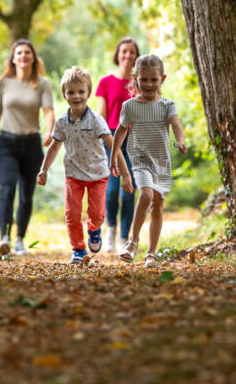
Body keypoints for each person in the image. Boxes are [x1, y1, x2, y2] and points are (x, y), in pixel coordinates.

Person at [109, 53, 186, 267]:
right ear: (135, 79)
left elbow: (176, 124)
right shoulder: (130, 106)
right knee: (146, 194)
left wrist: (180, 140)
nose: (149, 84)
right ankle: (132, 242)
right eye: (144, 79)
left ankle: (151, 253)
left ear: (163, 79)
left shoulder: (167, 105)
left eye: (154, 79)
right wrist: (114, 156)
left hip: (161, 161)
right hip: (140, 159)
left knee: (158, 204)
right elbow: (120, 132)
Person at [0, 39, 55, 256]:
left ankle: (20, 240)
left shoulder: (43, 83)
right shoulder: (4, 83)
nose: (23, 56)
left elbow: (48, 110)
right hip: (6, 144)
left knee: (26, 195)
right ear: (13, 58)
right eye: (19, 53)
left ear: (33, 58)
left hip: (32, 144)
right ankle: (4, 237)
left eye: (27, 53)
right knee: (7, 188)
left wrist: (49, 131)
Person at [37, 66, 113, 265]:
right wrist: (43, 169)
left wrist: (118, 165)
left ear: (88, 93)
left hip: (98, 174)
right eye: (71, 92)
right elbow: (54, 147)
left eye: (81, 91)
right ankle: (78, 249)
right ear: (64, 94)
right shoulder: (62, 122)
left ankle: (94, 229)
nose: (76, 96)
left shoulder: (96, 120)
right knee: (71, 214)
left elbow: (111, 144)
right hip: (73, 174)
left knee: (97, 214)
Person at [95, 36, 139, 253]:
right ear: (118, 54)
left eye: (132, 52)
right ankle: (110, 229)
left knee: (129, 190)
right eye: (124, 51)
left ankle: (124, 237)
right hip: (111, 139)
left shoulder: (140, 84)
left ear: (136, 56)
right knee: (112, 191)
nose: (128, 55)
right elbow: (101, 115)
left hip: (134, 140)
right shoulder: (105, 82)